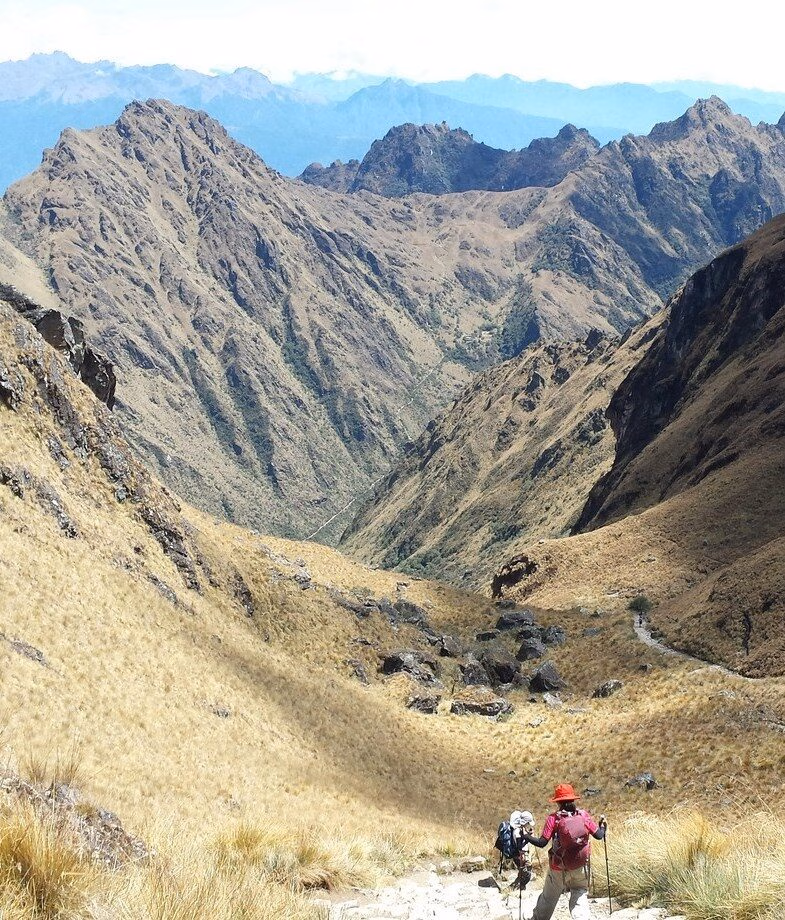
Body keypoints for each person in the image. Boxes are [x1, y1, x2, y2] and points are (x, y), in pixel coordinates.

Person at [520, 783, 607, 920]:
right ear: (573, 799)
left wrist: (526, 836)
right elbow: (599, 835)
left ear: (558, 802)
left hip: (559, 867)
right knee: (579, 892)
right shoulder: (583, 815)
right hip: (581, 864)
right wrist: (603, 826)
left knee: (549, 897)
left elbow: (542, 843)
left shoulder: (553, 819)